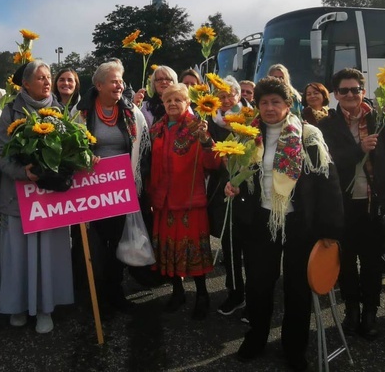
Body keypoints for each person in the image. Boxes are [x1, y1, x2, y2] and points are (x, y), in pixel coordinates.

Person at [224, 76, 343, 370]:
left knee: (297, 288)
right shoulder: (249, 136)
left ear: (288, 105)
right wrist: (234, 185)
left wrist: (330, 230)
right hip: (261, 220)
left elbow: (328, 182)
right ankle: (256, 337)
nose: (269, 107)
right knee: (259, 285)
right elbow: (241, 174)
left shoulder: (308, 135)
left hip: (299, 221)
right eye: (263, 102)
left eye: (275, 102)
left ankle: (294, 347)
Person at [318, 68, 385, 340]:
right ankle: (352, 309)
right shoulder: (326, 125)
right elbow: (326, 163)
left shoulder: (380, 121)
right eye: (344, 91)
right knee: (347, 262)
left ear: (363, 91)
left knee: (373, 262)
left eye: (355, 89)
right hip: (344, 205)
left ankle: (370, 312)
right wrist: (358, 150)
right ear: (335, 95)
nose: (350, 95)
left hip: (375, 204)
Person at [0, 60, 74, 332]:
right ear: (25, 84)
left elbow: (73, 147)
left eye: (48, 76)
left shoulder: (62, 111)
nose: (47, 81)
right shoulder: (10, 112)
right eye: (40, 78)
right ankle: (17, 306)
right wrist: (22, 172)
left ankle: (45, 309)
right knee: (18, 254)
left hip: (51, 200)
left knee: (49, 254)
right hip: (18, 197)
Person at [71, 59, 151, 312]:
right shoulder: (81, 112)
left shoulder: (131, 112)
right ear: (98, 85)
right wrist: (83, 158)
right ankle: (96, 294)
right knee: (95, 242)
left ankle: (115, 291)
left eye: (121, 81)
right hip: (91, 188)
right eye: (114, 81)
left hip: (120, 188)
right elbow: (69, 146)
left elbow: (143, 147)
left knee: (117, 240)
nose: (119, 86)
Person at [149, 83, 219, 320]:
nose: (172, 104)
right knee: (168, 250)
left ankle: (202, 294)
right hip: (163, 199)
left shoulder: (196, 126)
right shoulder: (157, 128)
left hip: (189, 200)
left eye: (178, 100)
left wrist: (206, 142)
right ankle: (177, 292)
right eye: (168, 100)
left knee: (193, 250)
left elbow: (213, 163)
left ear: (188, 103)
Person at [206, 76, 251, 318]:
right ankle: (235, 291)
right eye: (220, 96)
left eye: (228, 95)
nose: (224, 100)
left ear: (237, 95)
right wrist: (218, 157)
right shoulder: (210, 120)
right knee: (229, 242)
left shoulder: (250, 117)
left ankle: (254, 295)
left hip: (248, 188)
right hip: (221, 187)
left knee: (251, 243)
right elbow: (205, 151)